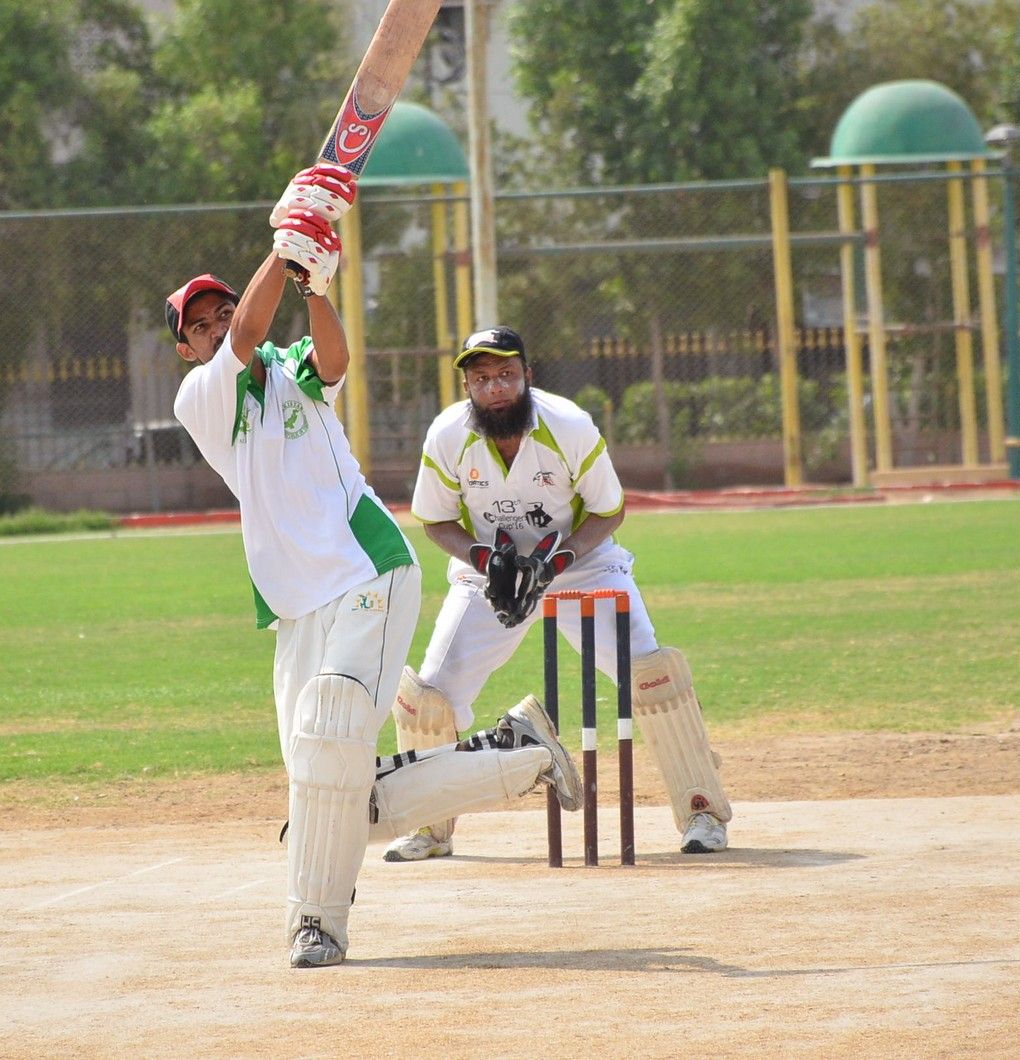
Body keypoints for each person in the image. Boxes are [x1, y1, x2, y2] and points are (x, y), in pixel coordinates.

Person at [166, 167, 579, 969]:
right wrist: (284, 243)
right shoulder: (203, 396)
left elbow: (333, 357)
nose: (215, 330)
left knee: (329, 745)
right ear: (186, 348)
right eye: (200, 327)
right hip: (296, 607)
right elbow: (247, 334)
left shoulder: (293, 371)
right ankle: (518, 752)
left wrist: (314, 286)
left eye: (220, 314)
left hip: (367, 573)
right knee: (326, 789)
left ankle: (315, 926)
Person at [385, 325, 734, 862]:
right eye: (482, 378)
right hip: (493, 571)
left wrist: (560, 559)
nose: (495, 387)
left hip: (581, 564)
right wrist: (485, 560)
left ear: (527, 376)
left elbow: (609, 509)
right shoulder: (448, 434)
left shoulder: (568, 424)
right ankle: (428, 826)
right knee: (428, 697)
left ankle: (702, 812)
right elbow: (434, 520)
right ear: (467, 386)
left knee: (652, 676)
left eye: (506, 374)